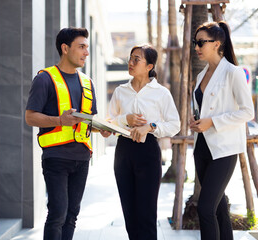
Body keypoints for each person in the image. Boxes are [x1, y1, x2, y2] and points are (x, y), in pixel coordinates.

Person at [25, 27, 105, 240]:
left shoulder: (87, 82)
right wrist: (60, 120)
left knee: (72, 215)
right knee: (58, 214)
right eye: (81, 47)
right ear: (65, 48)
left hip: (82, 158)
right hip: (56, 158)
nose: (86, 52)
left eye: (87, 48)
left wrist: (103, 129)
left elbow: (88, 122)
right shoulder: (44, 79)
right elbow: (30, 117)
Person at [107, 44, 180, 240]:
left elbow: (175, 125)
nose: (130, 62)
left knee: (146, 215)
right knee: (130, 215)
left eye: (136, 59)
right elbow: (107, 126)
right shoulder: (120, 91)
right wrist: (125, 119)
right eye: (130, 58)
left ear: (149, 66)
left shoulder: (161, 93)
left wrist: (151, 126)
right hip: (123, 153)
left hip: (148, 152)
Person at [189, 21, 254, 240]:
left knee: (205, 208)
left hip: (224, 151)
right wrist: (198, 122)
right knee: (218, 208)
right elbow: (204, 111)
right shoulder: (200, 77)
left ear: (217, 43)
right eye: (195, 42)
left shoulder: (233, 73)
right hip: (202, 148)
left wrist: (213, 122)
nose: (196, 47)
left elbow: (247, 112)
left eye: (201, 43)